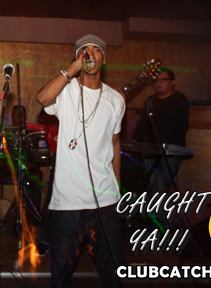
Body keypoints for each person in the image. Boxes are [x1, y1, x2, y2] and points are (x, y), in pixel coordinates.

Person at [36, 34, 125, 288]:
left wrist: (117, 189)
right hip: (69, 202)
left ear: (104, 58)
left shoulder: (116, 99)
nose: (90, 54)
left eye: (96, 50)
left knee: (114, 272)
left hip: (106, 201)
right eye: (84, 51)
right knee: (62, 272)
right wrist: (74, 67)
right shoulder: (65, 91)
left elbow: (115, 143)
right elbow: (42, 98)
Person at [131, 67, 189, 195]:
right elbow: (143, 123)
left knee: (160, 186)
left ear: (172, 82)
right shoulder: (150, 101)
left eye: (163, 79)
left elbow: (182, 126)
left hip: (171, 153)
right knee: (154, 186)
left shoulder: (180, 100)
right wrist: (134, 141)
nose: (159, 83)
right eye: (156, 80)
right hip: (151, 151)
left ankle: (159, 208)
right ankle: (162, 208)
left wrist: (172, 146)